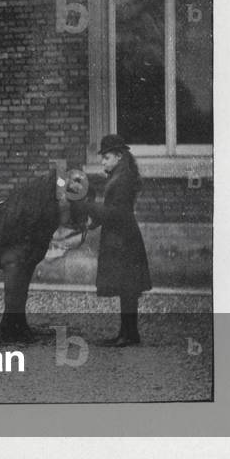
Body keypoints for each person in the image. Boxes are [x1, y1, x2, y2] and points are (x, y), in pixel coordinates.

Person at [88, 134, 152, 347]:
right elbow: (113, 210)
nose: (103, 162)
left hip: (123, 239)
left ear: (118, 156)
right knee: (127, 288)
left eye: (106, 157)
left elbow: (115, 213)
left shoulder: (122, 179)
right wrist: (95, 221)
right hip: (122, 236)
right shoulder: (120, 175)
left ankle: (129, 334)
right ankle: (127, 333)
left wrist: (89, 208)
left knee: (127, 288)